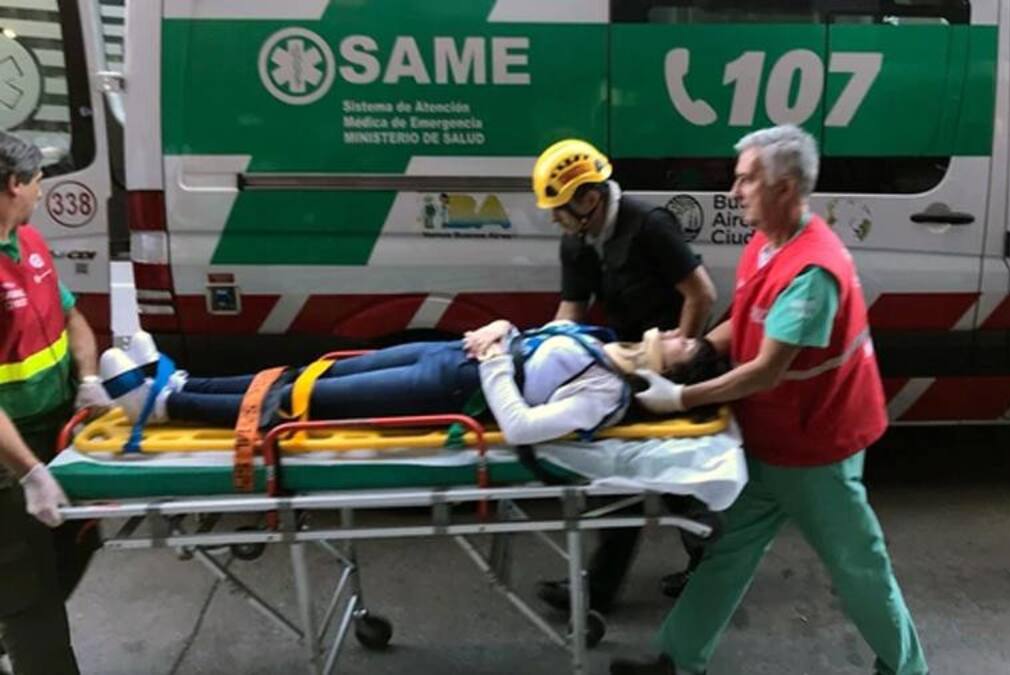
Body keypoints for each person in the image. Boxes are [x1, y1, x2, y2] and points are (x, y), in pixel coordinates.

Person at [613, 125, 927, 675]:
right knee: (727, 549)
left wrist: (681, 396)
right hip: (771, 440)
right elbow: (746, 318)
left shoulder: (812, 275)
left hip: (815, 451)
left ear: (785, 188)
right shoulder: (767, 243)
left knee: (858, 564)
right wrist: (688, 349)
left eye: (746, 180)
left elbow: (765, 371)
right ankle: (678, 659)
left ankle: (906, 668)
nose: (735, 191)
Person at [532, 138, 719, 613]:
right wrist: (542, 351)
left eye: (560, 209)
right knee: (631, 475)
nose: (556, 219)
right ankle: (599, 591)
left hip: (671, 362)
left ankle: (713, 567)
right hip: (626, 361)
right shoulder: (577, 241)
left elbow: (702, 294)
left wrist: (679, 365)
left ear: (590, 200)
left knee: (671, 476)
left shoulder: (649, 227)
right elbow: (571, 310)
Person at [100, 322, 724, 447]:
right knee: (309, 373)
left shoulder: (606, 394)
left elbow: (523, 428)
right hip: (446, 353)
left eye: (681, 344)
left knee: (304, 403)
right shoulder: (605, 341)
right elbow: (541, 330)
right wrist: (501, 328)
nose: (673, 333)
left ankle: (163, 408)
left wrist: (495, 363)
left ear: (666, 370)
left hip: (448, 393)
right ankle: (184, 380)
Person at [0, 131, 108, 675]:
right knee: (31, 593)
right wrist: (28, 472)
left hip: (58, 430)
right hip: (9, 452)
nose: (43, 191)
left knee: (78, 545)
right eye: (38, 182)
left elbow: (72, 317)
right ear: (14, 185)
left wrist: (88, 378)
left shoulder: (30, 243)